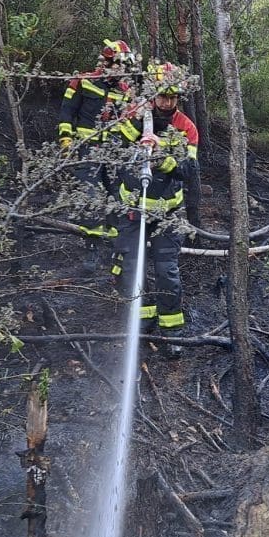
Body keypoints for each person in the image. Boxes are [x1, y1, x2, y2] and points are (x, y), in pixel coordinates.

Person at [102, 62, 199, 336]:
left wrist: (163, 159)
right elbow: (116, 150)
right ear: (153, 94)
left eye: (173, 97)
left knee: (167, 272)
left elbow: (190, 170)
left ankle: (172, 330)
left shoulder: (186, 127)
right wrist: (138, 137)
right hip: (132, 210)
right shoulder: (135, 116)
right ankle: (142, 319)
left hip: (167, 215)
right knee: (134, 268)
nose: (167, 102)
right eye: (162, 96)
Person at [57, 40, 138, 239]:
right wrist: (66, 140)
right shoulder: (83, 81)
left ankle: (114, 239)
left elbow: (128, 122)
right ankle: (91, 241)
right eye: (119, 66)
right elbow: (67, 112)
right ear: (107, 63)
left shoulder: (125, 91)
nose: (122, 71)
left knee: (117, 195)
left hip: (114, 151)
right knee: (89, 193)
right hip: (87, 148)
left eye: (125, 68)